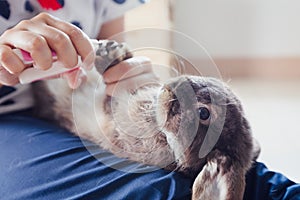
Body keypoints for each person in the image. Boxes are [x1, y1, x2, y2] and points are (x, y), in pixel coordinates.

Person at [0, 1, 299, 199]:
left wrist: (123, 74)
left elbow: (112, 49)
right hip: (9, 120)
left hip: (83, 101)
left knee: (257, 181)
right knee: (157, 191)